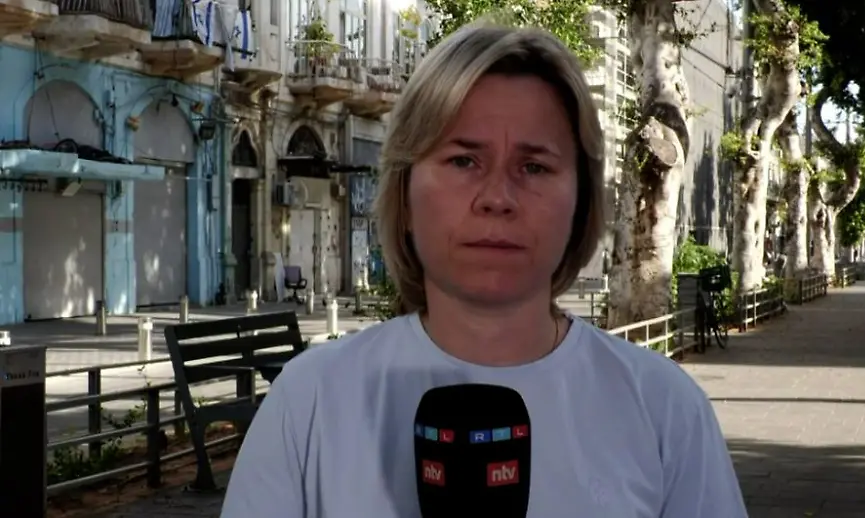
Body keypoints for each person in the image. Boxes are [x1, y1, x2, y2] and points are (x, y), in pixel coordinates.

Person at [221, 21, 747, 518]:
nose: (497, 197)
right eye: (463, 161)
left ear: (581, 203)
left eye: (534, 166)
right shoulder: (310, 401)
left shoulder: (665, 410)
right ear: (405, 194)